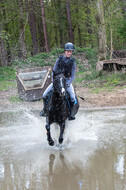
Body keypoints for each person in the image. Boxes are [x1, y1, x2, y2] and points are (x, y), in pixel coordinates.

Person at [40, 42, 76, 120]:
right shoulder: (59, 59)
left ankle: (71, 114)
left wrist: (67, 84)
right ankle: (45, 110)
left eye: (70, 51)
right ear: (65, 51)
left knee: (73, 98)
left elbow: (73, 76)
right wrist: (54, 81)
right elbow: (53, 71)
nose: (69, 53)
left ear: (72, 52)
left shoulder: (73, 62)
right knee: (44, 95)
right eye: (67, 51)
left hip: (66, 82)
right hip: (57, 82)